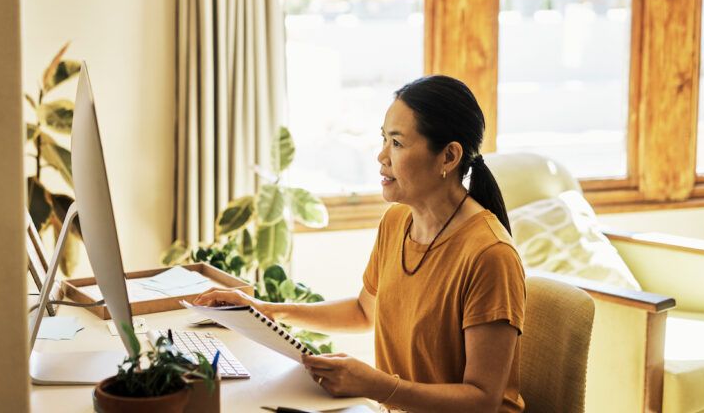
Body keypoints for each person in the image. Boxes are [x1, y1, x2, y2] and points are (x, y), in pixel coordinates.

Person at [194, 75, 526, 412]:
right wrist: (266, 311)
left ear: (449, 157)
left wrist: (375, 385)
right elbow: (364, 311)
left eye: (397, 143)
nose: (381, 156)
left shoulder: (490, 255)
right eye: (384, 139)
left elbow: (482, 401)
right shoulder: (397, 221)